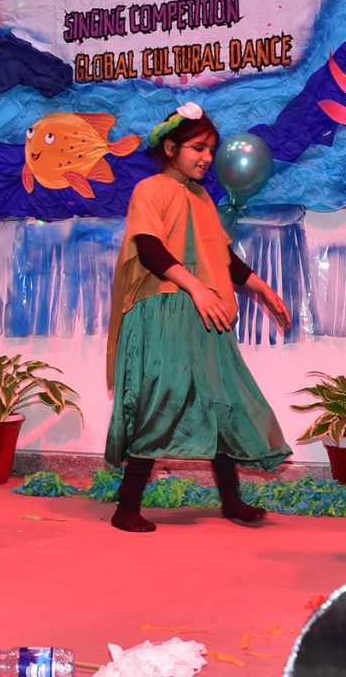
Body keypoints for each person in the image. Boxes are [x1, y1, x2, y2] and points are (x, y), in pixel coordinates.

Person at [104, 103, 293, 533]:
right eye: (198, 148)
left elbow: (222, 257)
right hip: (165, 311)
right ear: (171, 148)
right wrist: (196, 288)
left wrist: (261, 288)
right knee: (163, 399)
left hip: (205, 315)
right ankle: (126, 506)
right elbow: (150, 249)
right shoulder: (150, 190)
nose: (207, 157)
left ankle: (232, 500)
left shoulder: (202, 197)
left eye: (211, 149)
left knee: (218, 400)